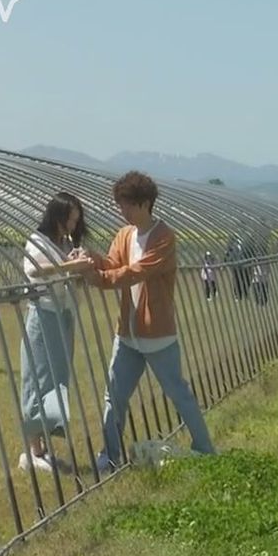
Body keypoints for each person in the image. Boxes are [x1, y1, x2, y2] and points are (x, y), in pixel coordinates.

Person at [75, 171, 216, 473]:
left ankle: (205, 449)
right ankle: (110, 455)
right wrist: (92, 259)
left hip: (157, 335)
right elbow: (115, 264)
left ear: (145, 204)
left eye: (126, 204)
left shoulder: (164, 237)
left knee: (178, 393)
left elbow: (136, 272)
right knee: (114, 394)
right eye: (120, 204)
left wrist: (98, 278)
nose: (121, 210)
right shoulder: (124, 234)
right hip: (127, 335)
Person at [17, 192, 95, 473]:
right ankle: (32, 451)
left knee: (56, 380)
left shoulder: (63, 243)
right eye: (69, 220)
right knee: (38, 378)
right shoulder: (37, 241)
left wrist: (77, 265)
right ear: (57, 217)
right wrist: (71, 265)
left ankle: (43, 448)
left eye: (76, 221)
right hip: (44, 314)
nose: (73, 226)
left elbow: (64, 275)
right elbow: (35, 270)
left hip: (63, 314)